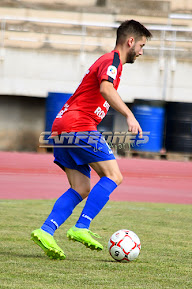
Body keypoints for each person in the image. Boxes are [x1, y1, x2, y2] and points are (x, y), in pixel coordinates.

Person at [31, 19, 152, 260]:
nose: (140, 52)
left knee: (81, 187)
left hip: (62, 125)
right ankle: (81, 227)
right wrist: (129, 115)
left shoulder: (109, 62)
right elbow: (107, 89)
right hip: (78, 125)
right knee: (114, 175)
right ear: (130, 42)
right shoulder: (112, 61)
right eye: (141, 46)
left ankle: (46, 231)